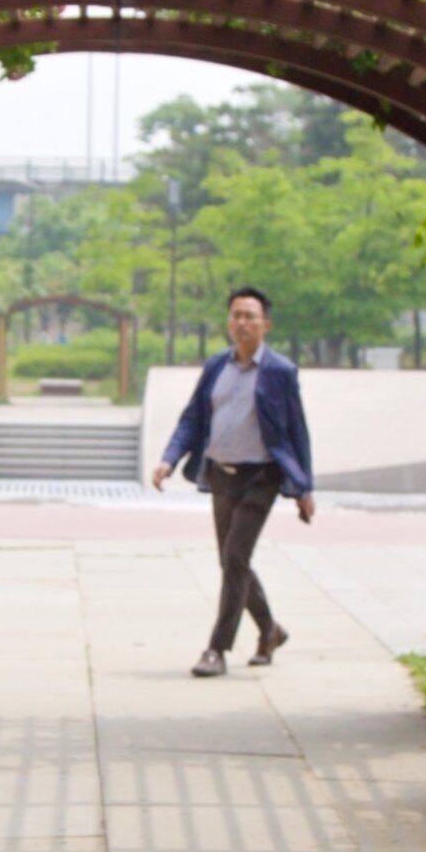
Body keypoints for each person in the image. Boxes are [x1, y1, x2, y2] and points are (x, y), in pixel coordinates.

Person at [149, 286, 315, 676]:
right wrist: (169, 459)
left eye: (250, 316)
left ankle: (216, 650)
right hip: (221, 476)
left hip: (262, 477)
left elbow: (297, 431)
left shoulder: (280, 372)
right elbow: (192, 418)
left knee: (235, 558)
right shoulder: (215, 367)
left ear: (265, 325)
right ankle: (270, 629)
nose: (241, 322)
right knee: (232, 561)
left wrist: (304, 488)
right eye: (236, 315)